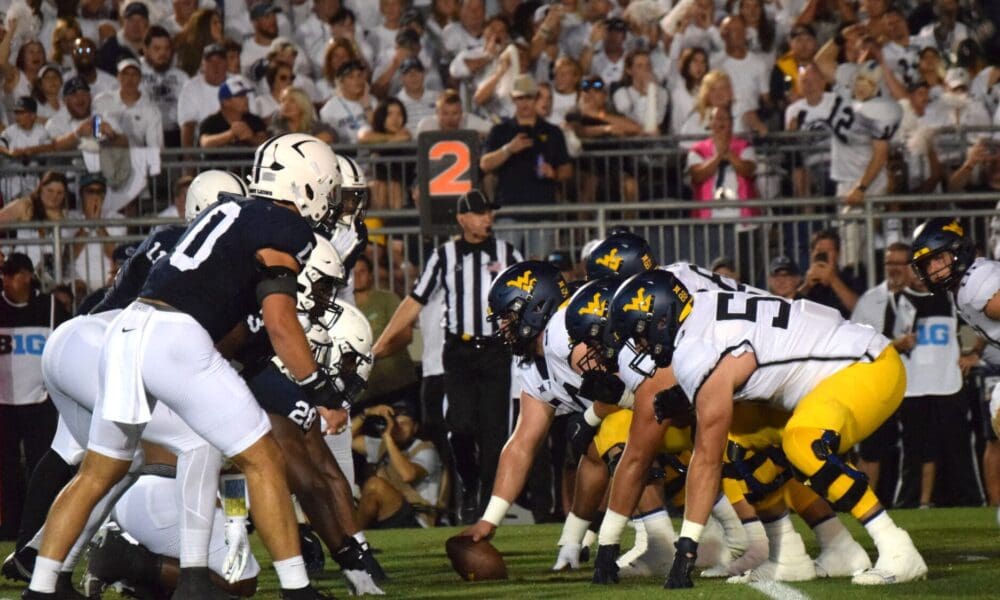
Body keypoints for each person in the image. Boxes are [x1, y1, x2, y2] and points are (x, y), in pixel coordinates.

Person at [22, 134, 342, 599]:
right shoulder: (283, 228)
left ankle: (42, 587)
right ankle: (296, 590)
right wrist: (322, 391)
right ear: (308, 186)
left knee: (98, 472)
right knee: (264, 457)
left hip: (128, 328)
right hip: (175, 337)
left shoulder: (223, 209)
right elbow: (280, 322)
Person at [608, 270, 928, 588]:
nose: (641, 344)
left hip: (867, 365)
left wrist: (686, 550)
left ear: (662, 319)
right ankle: (789, 555)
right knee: (738, 441)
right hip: (823, 376)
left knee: (803, 442)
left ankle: (896, 546)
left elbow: (706, 458)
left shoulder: (698, 347)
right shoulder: (701, 310)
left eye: (641, 333)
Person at [373, 189, 522, 524]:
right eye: (481, 213)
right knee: (461, 427)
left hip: (496, 352)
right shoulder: (444, 256)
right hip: (460, 352)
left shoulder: (507, 253)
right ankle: (469, 487)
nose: (488, 219)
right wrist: (381, 343)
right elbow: (414, 301)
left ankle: (485, 511)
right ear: (462, 218)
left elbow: (525, 295)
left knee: (496, 434)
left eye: (490, 213)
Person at [910, 218, 1000, 526]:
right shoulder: (966, 286)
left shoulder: (976, 285)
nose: (933, 268)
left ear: (957, 250)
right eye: (927, 263)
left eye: (938, 257)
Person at [0, 254, 70, 540]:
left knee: (42, 464)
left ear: (27, 276)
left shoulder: (50, 307)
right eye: (6, 275)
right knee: (7, 467)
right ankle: (11, 525)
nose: (7, 281)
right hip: (4, 403)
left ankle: (40, 525)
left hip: (40, 402)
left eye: (13, 275)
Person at [480, 73, 571, 209]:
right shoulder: (500, 130)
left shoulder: (553, 132)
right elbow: (485, 164)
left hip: (544, 209)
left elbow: (567, 169)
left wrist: (554, 173)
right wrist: (508, 150)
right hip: (509, 209)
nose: (524, 103)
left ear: (536, 98)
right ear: (513, 99)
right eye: (520, 98)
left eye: (529, 97)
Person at [352, 402, 444, 528]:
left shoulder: (426, 449)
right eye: (395, 423)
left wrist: (387, 436)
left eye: (404, 424)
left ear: (415, 427)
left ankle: (354, 538)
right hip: (389, 513)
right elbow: (347, 440)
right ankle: (355, 538)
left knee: (375, 485)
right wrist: (365, 413)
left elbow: (408, 475)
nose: (398, 428)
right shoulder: (383, 447)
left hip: (417, 518)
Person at [353, 254, 418, 410]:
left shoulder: (387, 298)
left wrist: (375, 354)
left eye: (361, 272)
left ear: (370, 275)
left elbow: (406, 335)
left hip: (398, 384)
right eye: (353, 273)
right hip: (364, 394)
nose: (357, 277)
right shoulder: (344, 308)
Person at [93, 58, 164, 148]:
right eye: (125, 74)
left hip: (136, 158)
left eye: (134, 74)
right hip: (105, 155)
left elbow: (155, 147)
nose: (130, 79)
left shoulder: (152, 110)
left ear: (140, 78)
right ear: (118, 77)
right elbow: (95, 133)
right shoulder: (101, 101)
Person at [798, 229, 865, 318]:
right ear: (812, 253)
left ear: (838, 254)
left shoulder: (850, 279)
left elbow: (861, 310)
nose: (823, 254)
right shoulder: (802, 281)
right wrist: (806, 286)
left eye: (828, 250)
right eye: (819, 250)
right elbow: (787, 310)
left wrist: (833, 280)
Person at [140, 25, 189, 148]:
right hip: (143, 135)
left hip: (175, 135)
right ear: (145, 49)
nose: (163, 53)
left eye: (167, 49)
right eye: (157, 49)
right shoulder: (134, 73)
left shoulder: (182, 77)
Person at [178, 42, 229, 148]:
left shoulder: (238, 83)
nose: (215, 66)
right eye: (210, 61)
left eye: (220, 61)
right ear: (202, 65)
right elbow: (188, 126)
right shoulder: (191, 87)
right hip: (203, 150)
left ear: (226, 64)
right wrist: (189, 160)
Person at [198, 75, 268, 148]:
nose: (246, 99)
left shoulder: (254, 120)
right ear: (226, 101)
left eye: (245, 95)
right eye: (241, 96)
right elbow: (205, 143)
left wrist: (251, 138)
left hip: (248, 160)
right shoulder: (211, 122)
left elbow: (265, 142)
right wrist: (231, 134)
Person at [319, 60, 375, 143]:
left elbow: (380, 130)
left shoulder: (373, 101)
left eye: (359, 76)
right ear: (341, 82)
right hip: (345, 152)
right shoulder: (329, 109)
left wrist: (367, 107)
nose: (357, 80)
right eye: (351, 77)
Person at [96, 1, 148, 74]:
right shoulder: (110, 48)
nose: (136, 25)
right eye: (131, 20)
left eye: (140, 20)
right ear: (123, 22)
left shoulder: (154, 47)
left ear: (147, 23)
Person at [415, 88, 491, 136]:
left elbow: (494, 131)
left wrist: (480, 135)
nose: (450, 119)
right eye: (445, 113)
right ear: (437, 113)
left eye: (455, 113)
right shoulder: (426, 126)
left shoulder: (470, 121)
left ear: (461, 113)